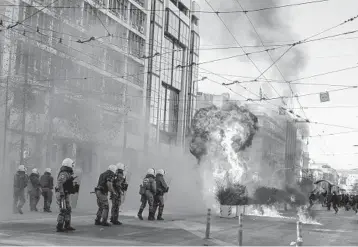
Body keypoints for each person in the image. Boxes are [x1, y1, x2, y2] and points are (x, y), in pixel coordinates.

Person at [55, 158, 79, 232]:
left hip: (65, 193)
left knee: (68, 209)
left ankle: (67, 225)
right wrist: (62, 193)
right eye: (72, 164)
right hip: (61, 193)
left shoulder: (67, 173)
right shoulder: (64, 173)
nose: (73, 166)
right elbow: (60, 183)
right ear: (68, 164)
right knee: (63, 209)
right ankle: (59, 226)